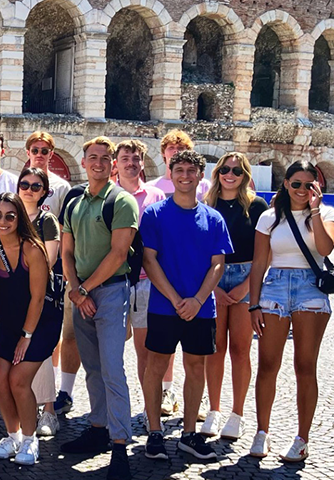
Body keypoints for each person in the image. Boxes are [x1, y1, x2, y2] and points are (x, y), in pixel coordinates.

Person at [139, 150, 232, 462]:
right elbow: (149, 259)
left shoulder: (214, 218)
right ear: (171, 172)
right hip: (165, 306)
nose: (185, 176)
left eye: (191, 171)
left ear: (200, 176)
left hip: (201, 308)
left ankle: (189, 434)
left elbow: (218, 264)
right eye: (179, 170)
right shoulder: (154, 214)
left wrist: (197, 299)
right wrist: (176, 298)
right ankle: (154, 432)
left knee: (196, 367)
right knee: (156, 365)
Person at [248, 161, 334, 463]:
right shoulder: (269, 217)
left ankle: (302, 438)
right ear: (285, 184)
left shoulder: (326, 214)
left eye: (308, 185)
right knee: (267, 364)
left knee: (305, 367)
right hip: (274, 286)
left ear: (317, 187)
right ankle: (262, 432)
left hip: (310, 289)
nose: (302, 190)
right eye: (296, 183)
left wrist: (314, 211)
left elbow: (325, 249)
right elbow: (259, 263)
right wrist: (253, 303)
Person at [58, 137, 137, 480]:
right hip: (83, 294)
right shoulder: (75, 202)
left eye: (106, 158)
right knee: (92, 366)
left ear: (114, 165)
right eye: (94, 157)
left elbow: (119, 254)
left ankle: (120, 444)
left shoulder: (122, 201)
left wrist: (85, 290)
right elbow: (66, 253)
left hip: (110, 293)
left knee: (112, 369)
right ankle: (98, 427)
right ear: (84, 161)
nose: (100, 163)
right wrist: (76, 290)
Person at [0, 192, 60, 466]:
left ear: (19, 217)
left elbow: (39, 298)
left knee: (18, 381)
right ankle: (13, 436)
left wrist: (26, 337)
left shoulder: (33, 249)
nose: (3, 221)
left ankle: (30, 440)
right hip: (7, 322)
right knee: (1, 385)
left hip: (40, 323)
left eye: (10, 216)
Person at [201, 153, 268, 440]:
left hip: (245, 276)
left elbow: (264, 252)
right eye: (225, 169)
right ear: (217, 173)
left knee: (241, 350)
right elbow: (201, 250)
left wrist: (247, 287)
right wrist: (212, 286)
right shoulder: (206, 205)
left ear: (245, 175)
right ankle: (213, 410)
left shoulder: (257, 206)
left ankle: (237, 414)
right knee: (214, 349)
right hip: (212, 276)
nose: (230, 174)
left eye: (237, 171)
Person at [110, 141, 168, 402]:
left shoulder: (156, 197)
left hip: (146, 283)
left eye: (136, 158)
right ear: (116, 163)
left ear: (143, 163)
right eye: (125, 158)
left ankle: (149, 408)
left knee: (145, 350)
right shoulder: (108, 195)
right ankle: (112, 408)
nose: (131, 163)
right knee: (110, 351)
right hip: (113, 281)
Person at [17, 167, 62, 438]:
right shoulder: (11, 215)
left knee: (40, 352)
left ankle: (49, 411)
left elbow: (50, 260)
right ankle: (25, 407)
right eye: (25, 184)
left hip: (40, 294)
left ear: (44, 191)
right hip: (11, 294)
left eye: (36, 186)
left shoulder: (47, 220)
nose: (29, 189)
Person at [146, 129, 211, 199]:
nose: (176, 151)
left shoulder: (203, 185)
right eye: (171, 148)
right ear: (163, 153)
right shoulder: (150, 187)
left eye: (180, 148)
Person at [25, 131, 71, 213]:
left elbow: (65, 221)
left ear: (51, 154)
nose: (39, 155)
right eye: (35, 151)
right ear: (28, 153)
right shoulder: (19, 183)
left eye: (44, 151)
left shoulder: (61, 187)